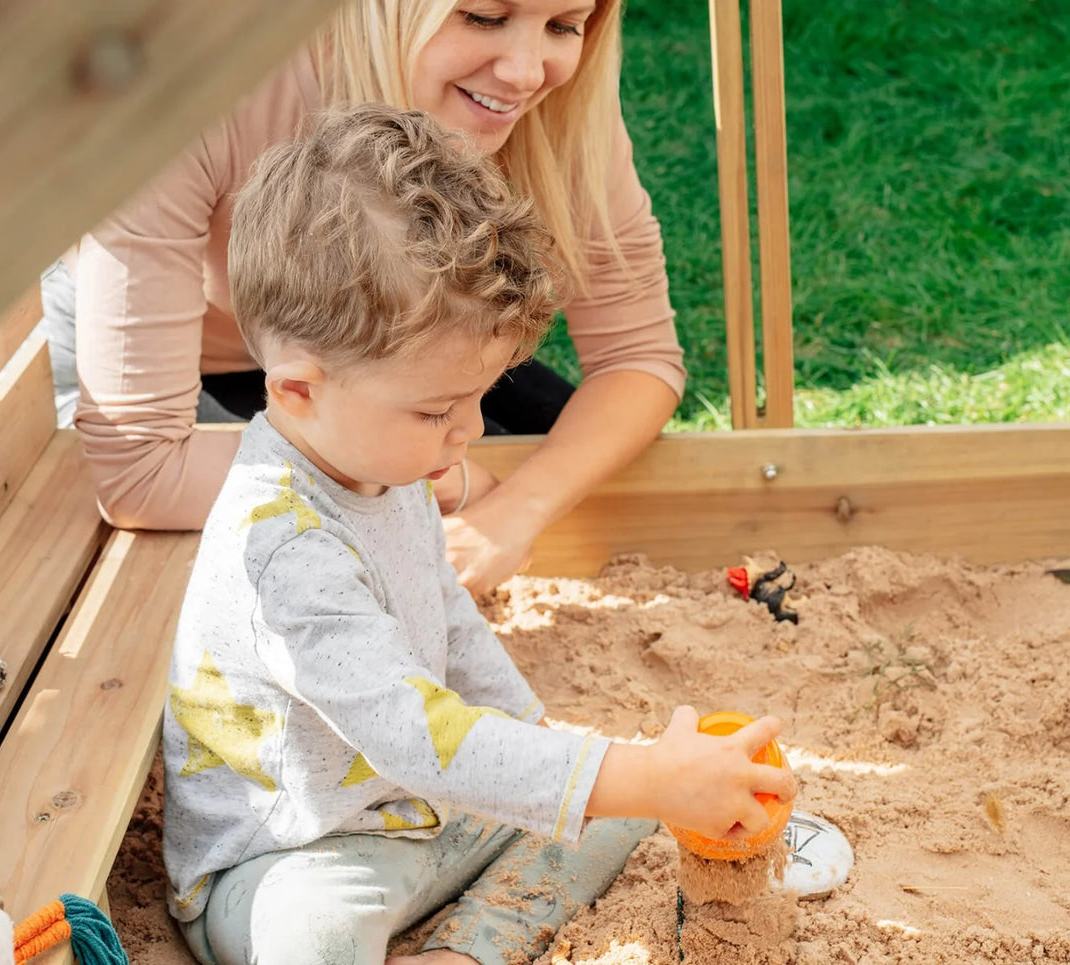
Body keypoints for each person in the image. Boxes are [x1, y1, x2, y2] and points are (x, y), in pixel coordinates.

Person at [160, 103, 796, 965]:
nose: (468, 430)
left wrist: (552, 741)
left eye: (477, 397)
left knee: (615, 809)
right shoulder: (285, 550)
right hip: (294, 850)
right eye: (436, 408)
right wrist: (633, 775)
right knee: (315, 930)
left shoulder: (380, 459)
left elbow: (447, 622)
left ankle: (465, 950)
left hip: (421, 817)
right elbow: (410, 733)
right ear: (298, 390)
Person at [50, 0, 685, 593]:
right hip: (195, 370)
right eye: (483, 15)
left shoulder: (557, 111)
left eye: (564, 25)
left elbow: (638, 358)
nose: (526, 73)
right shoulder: (207, 91)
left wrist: (515, 511)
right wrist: (444, 484)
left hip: (400, 352)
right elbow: (142, 472)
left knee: (565, 464)